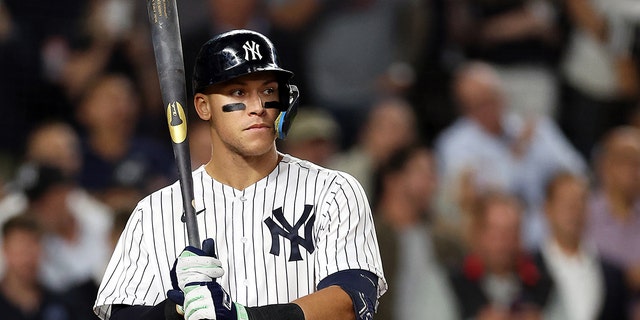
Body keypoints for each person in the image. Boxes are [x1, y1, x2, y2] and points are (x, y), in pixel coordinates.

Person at [94, 29, 387, 320]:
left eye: (268, 91)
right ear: (203, 106)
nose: (258, 107)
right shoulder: (156, 211)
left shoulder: (332, 191)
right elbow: (121, 313)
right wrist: (175, 311)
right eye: (239, 92)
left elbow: (351, 301)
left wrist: (243, 317)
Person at [434, 61, 586, 249]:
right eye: (480, 104)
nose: (491, 108)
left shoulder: (534, 127)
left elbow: (576, 170)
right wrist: (515, 156)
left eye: (494, 98)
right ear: (466, 109)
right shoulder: (454, 144)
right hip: (500, 239)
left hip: (553, 232)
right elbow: (483, 198)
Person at [373, 145, 462, 320]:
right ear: (393, 180)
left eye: (434, 174)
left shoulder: (442, 240)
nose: (433, 182)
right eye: (424, 173)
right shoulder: (369, 237)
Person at [536, 170, 630, 320]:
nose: (574, 210)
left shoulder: (612, 275)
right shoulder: (527, 268)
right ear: (547, 209)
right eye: (565, 203)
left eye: (580, 201)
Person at [447, 191, 553, 320]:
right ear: (476, 233)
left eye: (511, 233)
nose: (503, 243)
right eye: (495, 233)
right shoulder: (453, 284)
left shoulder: (540, 285)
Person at [587, 126, 640, 312]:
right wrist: (624, 275)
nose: (635, 171)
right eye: (627, 160)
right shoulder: (584, 214)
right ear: (605, 165)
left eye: (638, 163)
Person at [0, 214, 76, 320]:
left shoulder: (61, 304)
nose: (28, 257)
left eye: (33, 246)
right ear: (6, 249)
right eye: (21, 249)